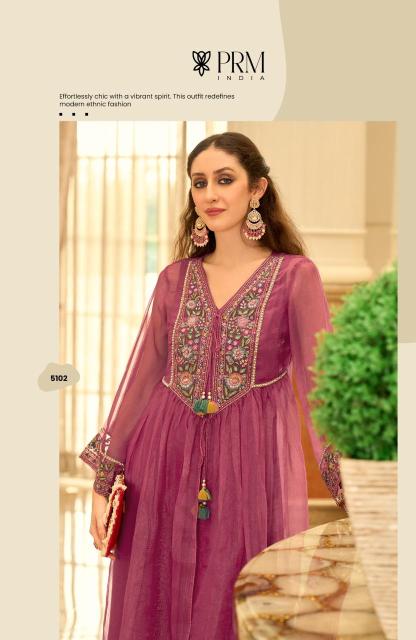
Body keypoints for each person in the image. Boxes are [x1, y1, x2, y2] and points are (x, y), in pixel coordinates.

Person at [79, 131, 345, 640]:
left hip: (249, 468)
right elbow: (140, 383)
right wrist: (103, 479)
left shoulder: (294, 276)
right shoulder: (175, 279)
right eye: (199, 182)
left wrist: (350, 479)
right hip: (162, 461)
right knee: (157, 598)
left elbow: (322, 387)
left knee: (231, 596)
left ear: (257, 188)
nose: (210, 194)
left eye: (225, 180)